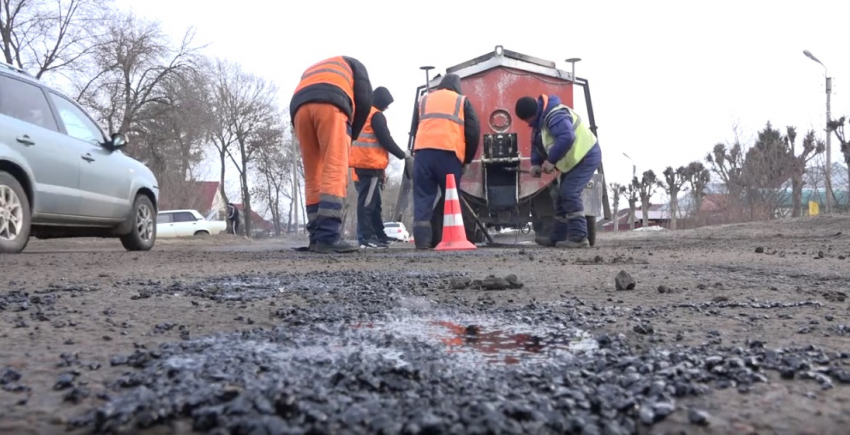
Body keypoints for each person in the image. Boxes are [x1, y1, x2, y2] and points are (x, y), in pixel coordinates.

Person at [290, 56, 373, 253]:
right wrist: (352, 133)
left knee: (313, 175)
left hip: (299, 109)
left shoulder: (315, 68)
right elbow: (364, 99)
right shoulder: (355, 65)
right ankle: (328, 236)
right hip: (331, 105)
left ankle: (315, 237)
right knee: (334, 170)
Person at [515, 94, 602, 248]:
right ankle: (557, 238)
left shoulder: (555, 115)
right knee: (561, 197)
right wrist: (535, 163)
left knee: (570, 193)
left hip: (586, 155)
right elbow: (536, 143)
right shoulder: (540, 122)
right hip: (574, 160)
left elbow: (567, 137)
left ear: (531, 115)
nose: (528, 124)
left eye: (526, 121)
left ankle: (579, 238)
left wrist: (551, 161)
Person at [410, 74, 480, 250]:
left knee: (423, 198)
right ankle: (448, 237)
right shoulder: (461, 101)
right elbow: (473, 131)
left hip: (423, 154)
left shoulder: (424, 100)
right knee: (451, 199)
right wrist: (467, 159)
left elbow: (414, 129)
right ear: (457, 87)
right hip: (448, 155)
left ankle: (423, 241)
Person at [350, 86, 411, 249]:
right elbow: (385, 139)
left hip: (364, 164)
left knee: (374, 204)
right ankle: (366, 238)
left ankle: (379, 235)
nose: (387, 107)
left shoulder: (364, 114)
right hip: (370, 165)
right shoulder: (376, 116)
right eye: (386, 104)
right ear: (381, 102)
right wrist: (402, 154)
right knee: (367, 203)